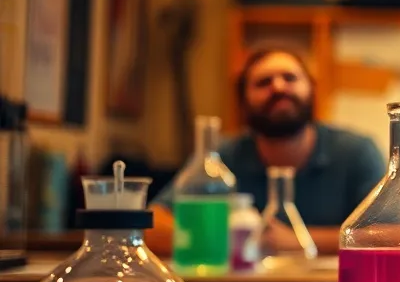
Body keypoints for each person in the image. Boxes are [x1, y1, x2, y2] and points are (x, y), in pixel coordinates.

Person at [148, 47, 385, 255]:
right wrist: (235, 240)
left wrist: (299, 241)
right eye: (263, 82)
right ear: (244, 100)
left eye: (290, 78)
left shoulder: (357, 151)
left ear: (312, 89)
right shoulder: (219, 158)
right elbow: (153, 224)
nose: (278, 87)